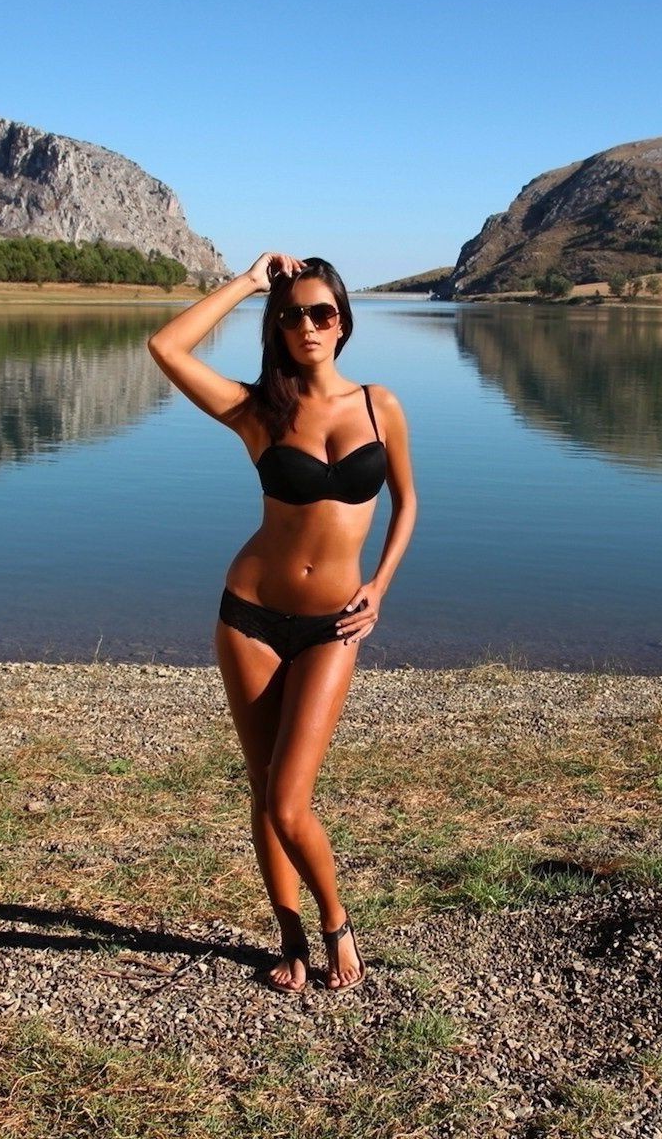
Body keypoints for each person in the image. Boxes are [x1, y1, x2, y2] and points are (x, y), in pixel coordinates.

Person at [147, 251, 417, 992]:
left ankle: (336, 920)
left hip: (334, 621)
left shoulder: (378, 405)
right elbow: (166, 348)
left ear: (343, 322)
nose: (306, 325)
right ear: (276, 323)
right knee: (265, 788)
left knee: (292, 797)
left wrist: (381, 586)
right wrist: (246, 280)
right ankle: (292, 934)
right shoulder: (258, 409)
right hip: (251, 616)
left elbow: (407, 504)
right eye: (291, 313)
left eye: (320, 312)